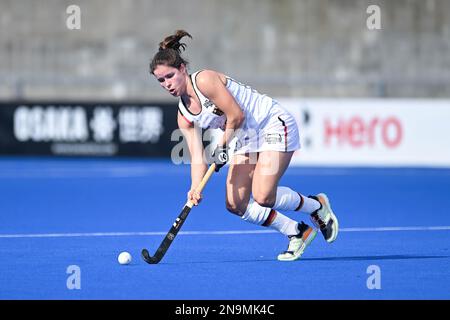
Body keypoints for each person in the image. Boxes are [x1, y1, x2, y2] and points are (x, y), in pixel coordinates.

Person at [149, 30, 339, 261]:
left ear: (182, 69)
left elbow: (236, 116)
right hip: (244, 138)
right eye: (161, 81)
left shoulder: (204, 80)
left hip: (270, 124)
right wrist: (194, 188)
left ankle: (316, 205)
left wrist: (222, 146)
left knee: (263, 196)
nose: (167, 84)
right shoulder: (184, 116)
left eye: (170, 76)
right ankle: (297, 231)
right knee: (235, 203)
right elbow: (197, 157)